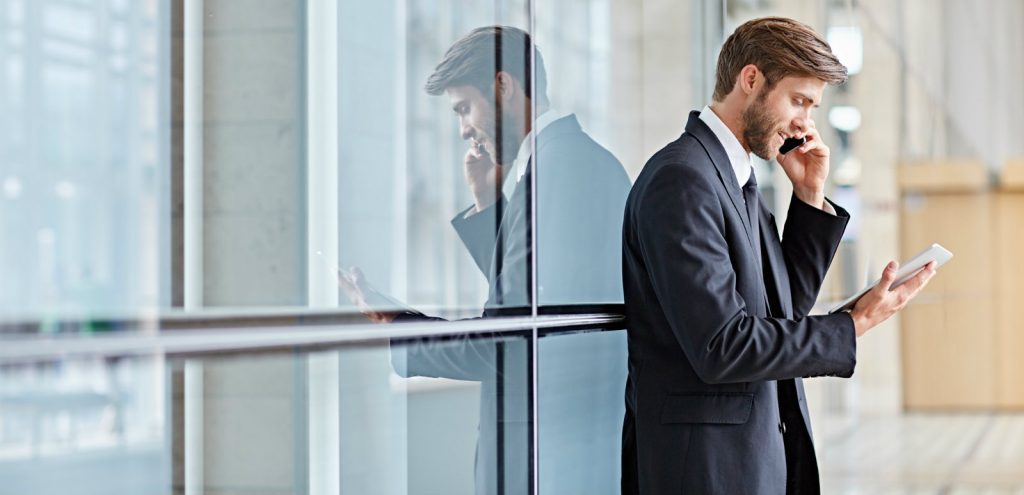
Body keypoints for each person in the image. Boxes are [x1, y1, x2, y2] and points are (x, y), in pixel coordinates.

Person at [620, 17, 937, 494]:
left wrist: (809, 197)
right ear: (751, 80)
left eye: (812, 107)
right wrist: (851, 326)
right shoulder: (683, 180)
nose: (806, 124)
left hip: (748, 458)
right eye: (799, 100)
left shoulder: (735, 178)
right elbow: (723, 346)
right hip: (703, 471)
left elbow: (779, 312)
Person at [341, 25, 631, 495]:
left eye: (464, 108)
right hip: (574, 449)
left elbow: (506, 343)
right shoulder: (581, 163)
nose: (463, 129)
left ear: (503, 87)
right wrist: (489, 206)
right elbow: (536, 300)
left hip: (549, 459)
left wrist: (399, 329)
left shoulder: (555, 176)